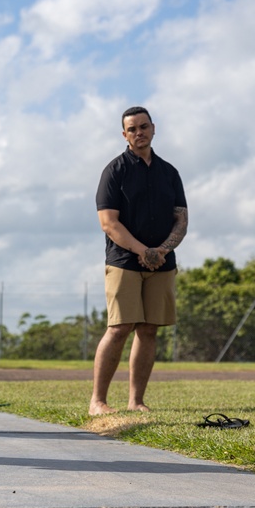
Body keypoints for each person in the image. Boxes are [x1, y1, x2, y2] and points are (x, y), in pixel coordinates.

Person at [90, 107, 188, 415]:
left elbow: (181, 219)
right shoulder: (114, 171)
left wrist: (161, 251)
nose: (139, 133)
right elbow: (109, 223)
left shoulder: (169, 172)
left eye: (144, 127)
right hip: (123, 262)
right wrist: (142, 251)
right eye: (132, 129)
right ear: (124, 135)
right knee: (120, 327)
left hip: (162, 263)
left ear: (154, 128)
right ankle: (98, 402)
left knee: (148, 330)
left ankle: (136, 401)